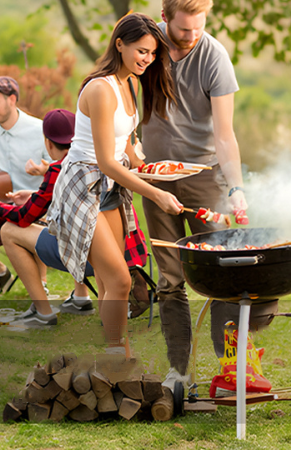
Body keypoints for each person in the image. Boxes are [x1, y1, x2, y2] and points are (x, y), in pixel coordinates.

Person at [142, 0, 277, 392]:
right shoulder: (147, 48)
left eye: (198, 27)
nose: (192, 36)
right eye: (184, 30)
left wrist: (235, 186)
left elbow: (224, 133)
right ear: (165, 19)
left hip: (205, 177)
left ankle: (232, 368)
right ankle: (179, 371)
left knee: (223, 274)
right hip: (156, 178)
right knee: (170, 279)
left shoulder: (214, 56)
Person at [46, 12, 182, 358]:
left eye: (152, 54)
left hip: (110, 188)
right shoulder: (100, 89)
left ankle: (113, 353)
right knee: (121, 280)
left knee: (111, 281)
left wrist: (152, 171)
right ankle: (116, 354)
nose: (147, 60)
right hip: (83, 187)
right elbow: (105, 160)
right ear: (119, 44)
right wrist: (154, 192)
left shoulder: (130, 83)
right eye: (141, 51)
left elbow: (123, 146)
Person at [1, 109, 94, 329]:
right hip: (112, 254)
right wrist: (32, 196)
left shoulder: (58, 169)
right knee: (75, 222)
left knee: (9, 231)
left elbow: (24, 218)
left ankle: (43, 313)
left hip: (83, 257)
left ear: (48, 143)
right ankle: (81, 298)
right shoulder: (93, 160)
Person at [0, 76, 51, 293]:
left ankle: (42, 285)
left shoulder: (38, 130)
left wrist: (43, 170)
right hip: (3, 204)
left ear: (12, 100)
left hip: (36, 204)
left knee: (31, 217)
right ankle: (2, 273)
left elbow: (58, 169)